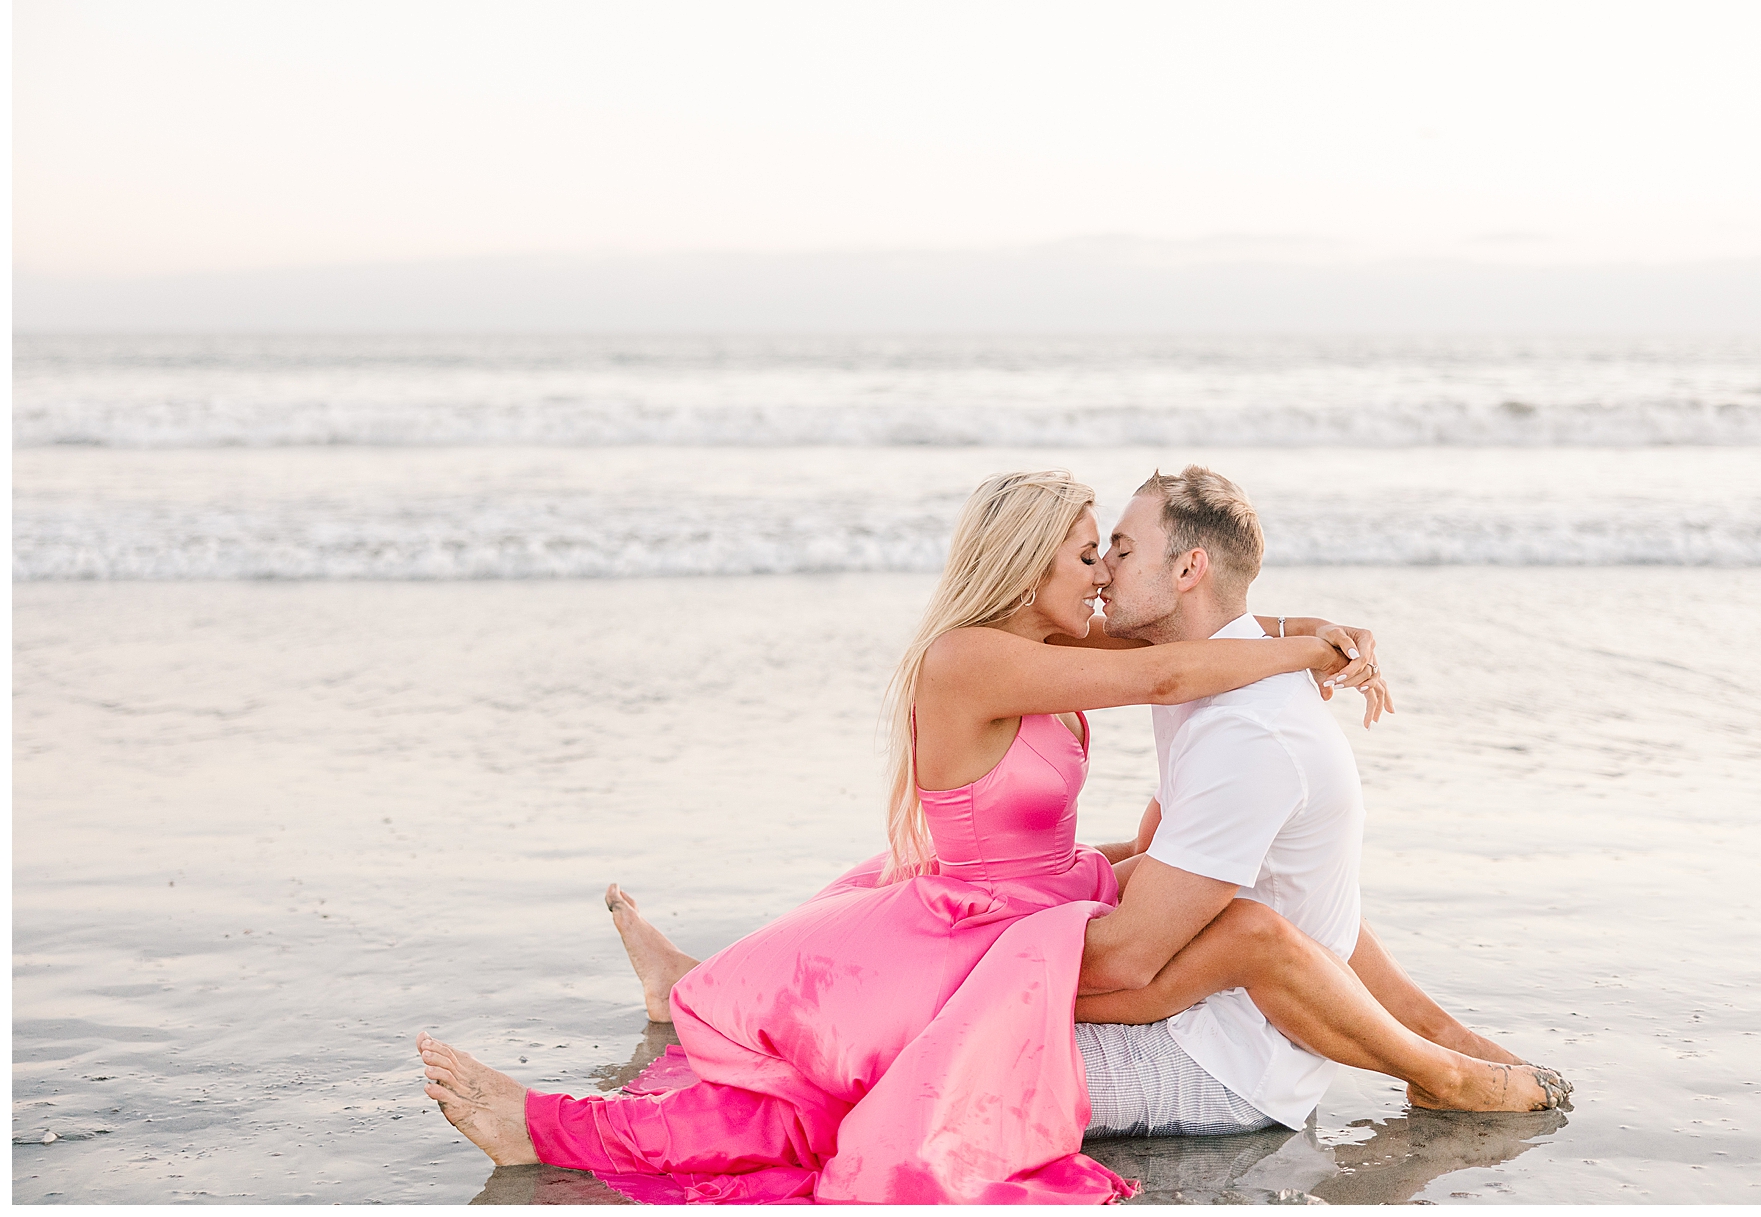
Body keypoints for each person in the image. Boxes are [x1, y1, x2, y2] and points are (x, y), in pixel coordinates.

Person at [416, 470, 1566, 1203]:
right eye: (1086, 551)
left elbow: (1188, 644)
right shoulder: (979, 656)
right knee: (825, 1094)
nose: (1104, 571)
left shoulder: (1065, 647)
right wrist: (1308, 654)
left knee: (1119, 865)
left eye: (1108, 547)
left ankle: (687, 988)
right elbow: (1176, 659)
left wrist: (1308, 627)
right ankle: (556, 1128)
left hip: (1025, 891)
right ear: (1031, 565)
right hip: (974, 918)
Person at [1062, 466, 1569, 1136]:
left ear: (1189, 569)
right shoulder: (1212, 689)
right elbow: (1298, 899)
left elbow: (1125, 962)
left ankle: (1449, 1072)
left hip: (1216, 1062)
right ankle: (1448, 1054)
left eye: (1122, 551)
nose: (1103, 573)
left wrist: (982, 960)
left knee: (919, 1055)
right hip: (1211, 1015)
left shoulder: (1246, 732)